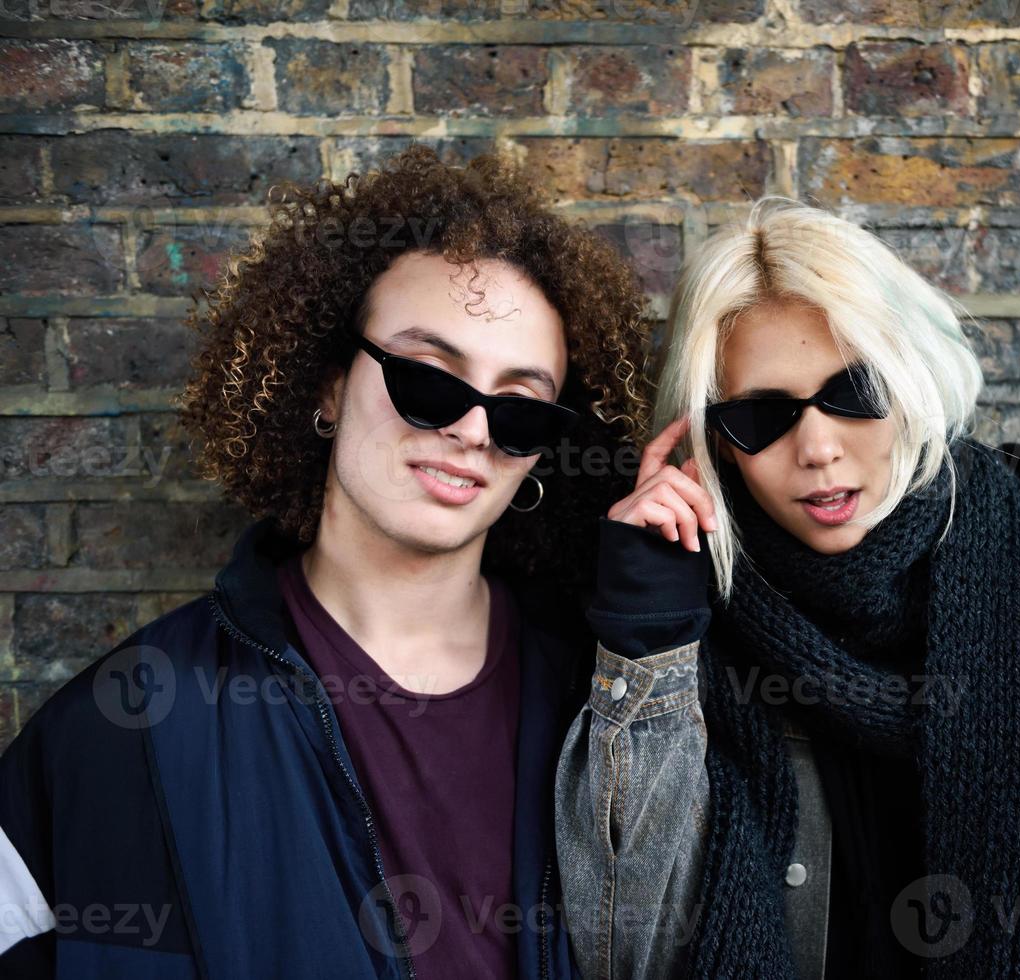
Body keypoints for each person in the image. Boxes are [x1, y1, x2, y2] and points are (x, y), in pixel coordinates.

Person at [555, 196, 1020, 979]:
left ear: (911, 379)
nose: (816, 448)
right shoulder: (676, 620)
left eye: (855, 393)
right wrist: (651, 632)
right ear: (714, 439)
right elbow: (623, 943)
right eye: (760, 416)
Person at [0, 144, 650, 978]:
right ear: (329, 385)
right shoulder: (130, 721)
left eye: (520, 411)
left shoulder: (607, 710)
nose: (473, 431)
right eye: (427, 377)